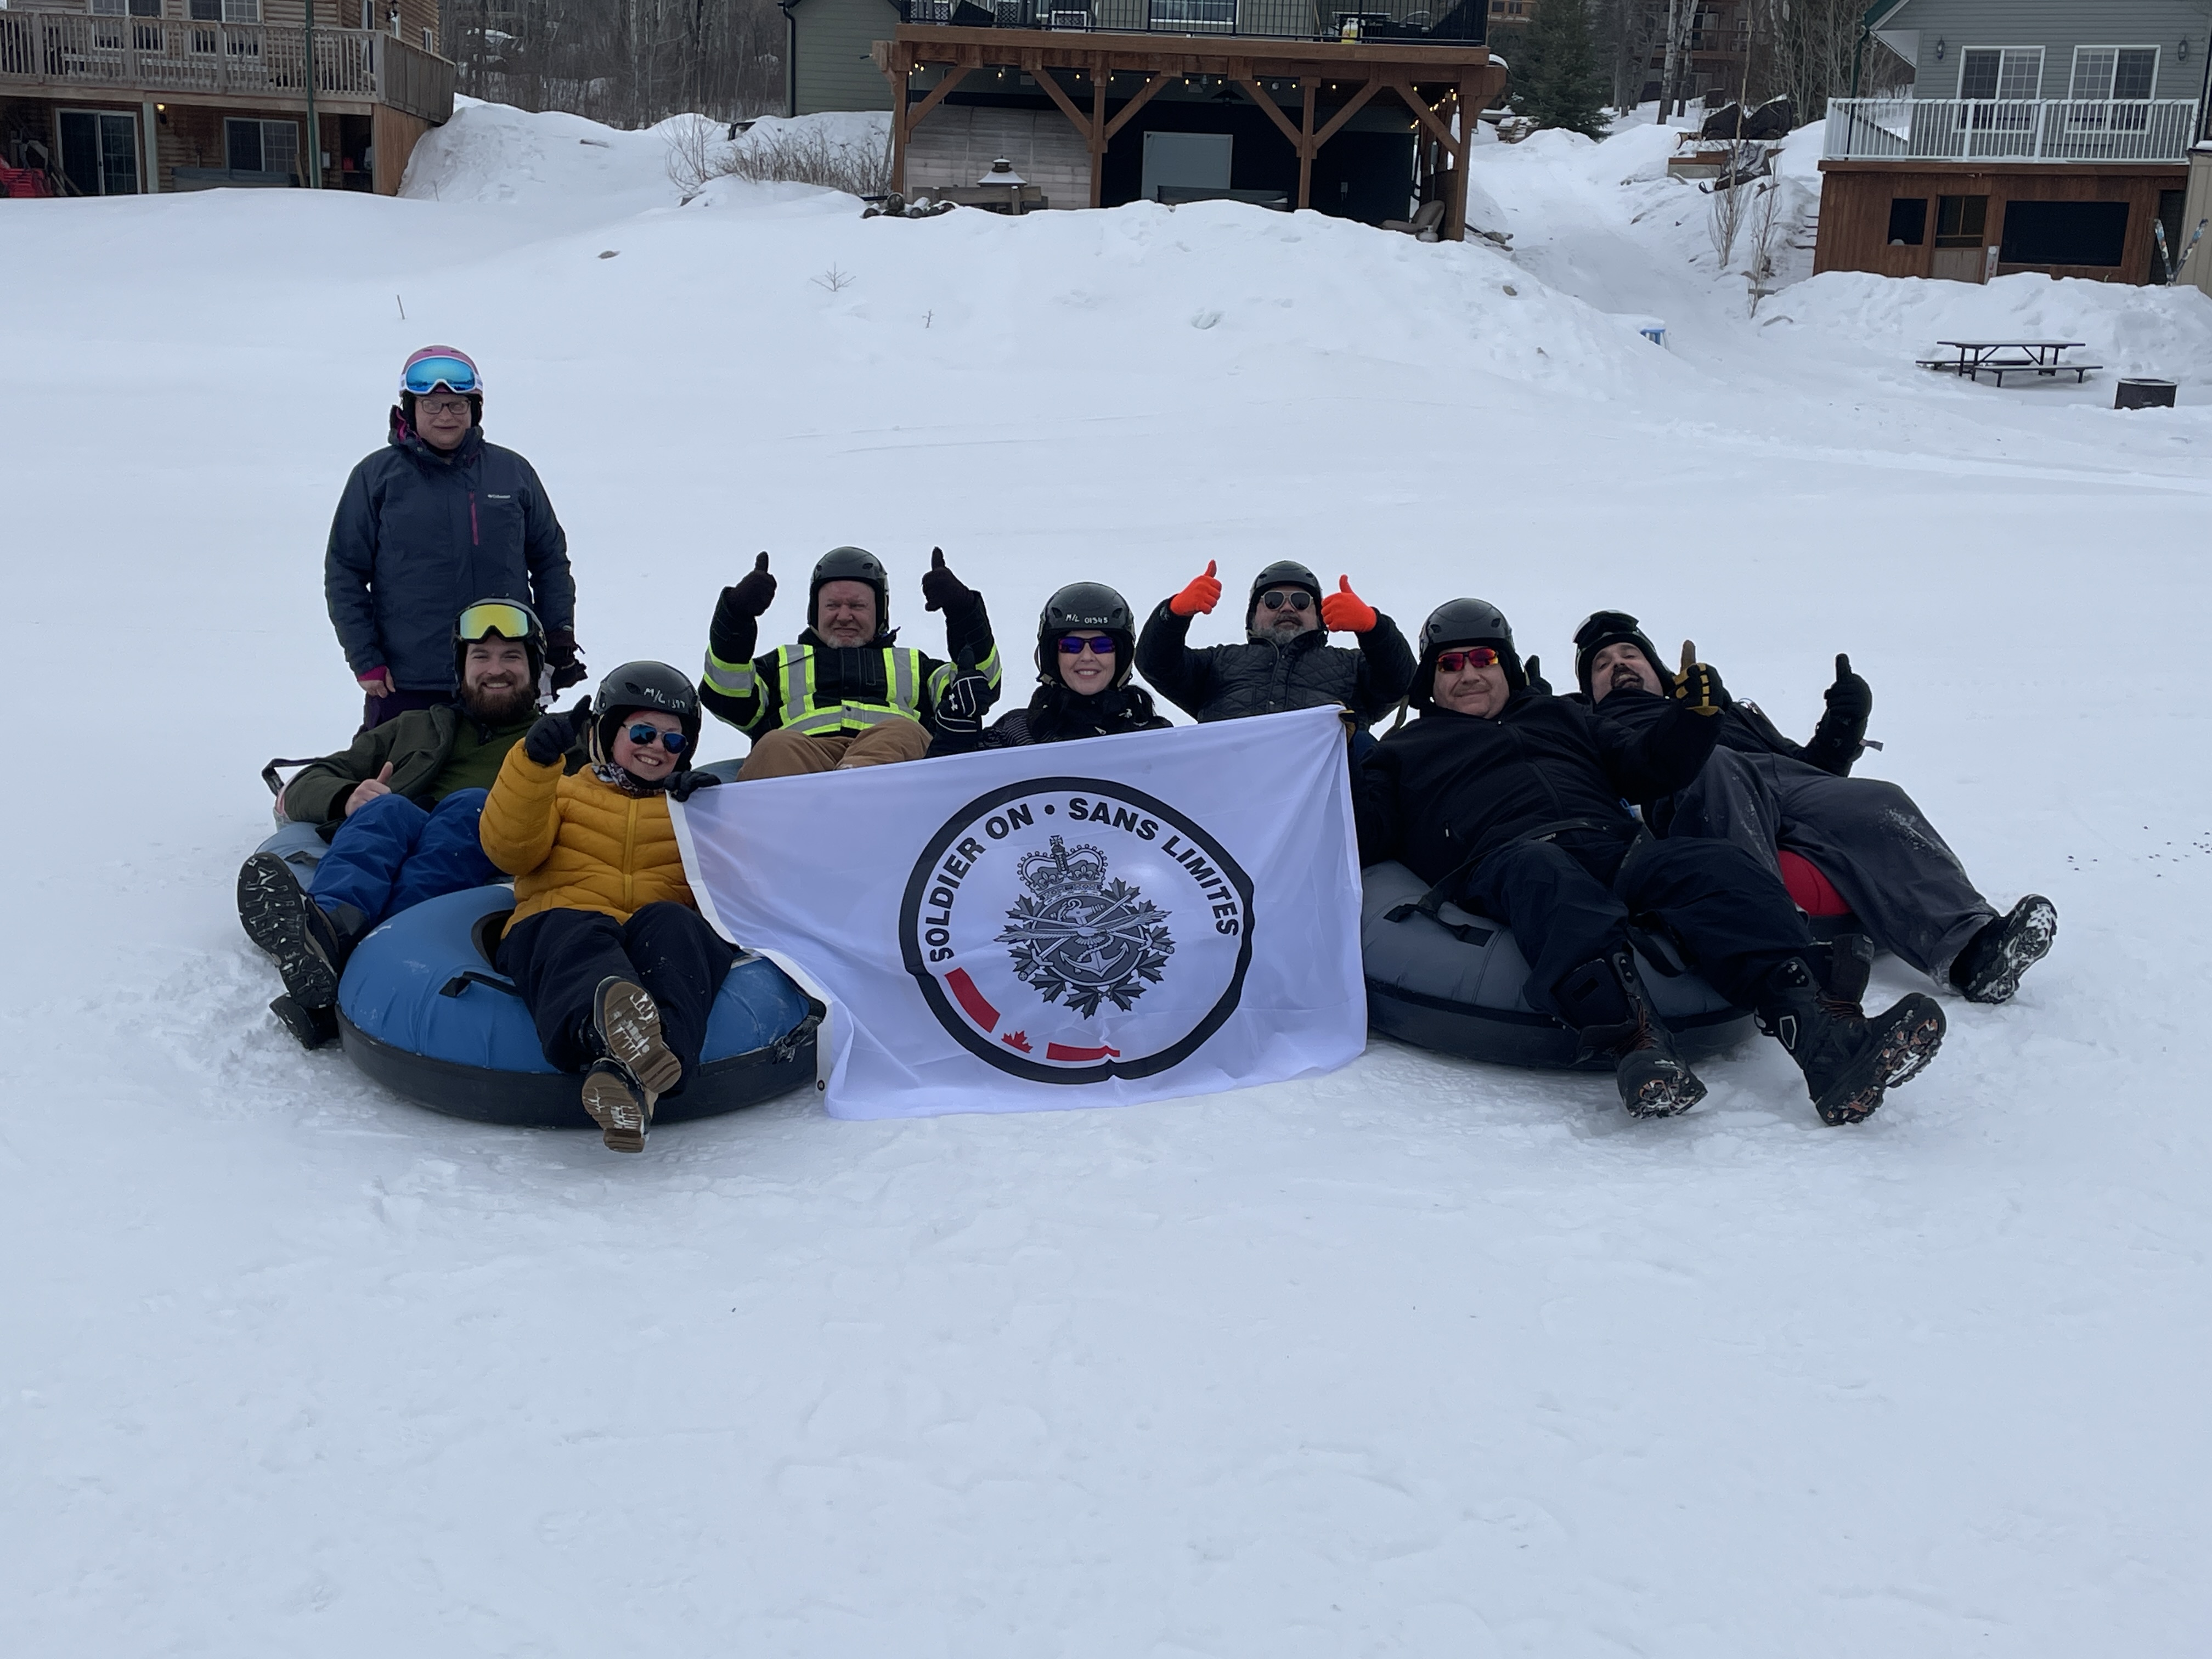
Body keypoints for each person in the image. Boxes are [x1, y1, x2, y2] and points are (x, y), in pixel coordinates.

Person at [1357, 599, 1947, 1126]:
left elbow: (1647, 766)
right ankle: (1639, 1046)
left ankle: (1826, 1039)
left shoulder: (1565, 718)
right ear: (1430, 681)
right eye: (1449, 664)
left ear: (1505, 665)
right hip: (1505, 857)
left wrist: (1692, 720)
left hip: (1615, 847)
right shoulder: (1404, 751)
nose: (1468, 674)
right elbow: (1367, 833)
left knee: (1719, 869)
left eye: (1481, 657)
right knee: (1549, 877)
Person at [1572, 610, 2056, 1004]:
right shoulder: (1589, 724)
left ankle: (1974, 950)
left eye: (1629, 654)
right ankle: (1778, 954)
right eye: (1601, 665)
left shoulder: (1728, 709)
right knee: (1717, 766)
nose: (1618, 665)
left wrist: (1841, 730)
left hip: (1776, 779)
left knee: (1878, 797)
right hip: (1690, 781)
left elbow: (1807, 770)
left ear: (1657, 670)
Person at [238, 600, 583, 1048]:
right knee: (387, 809)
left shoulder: (560, 745)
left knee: (470, 806)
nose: (495, 669)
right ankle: (327, 934)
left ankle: (353, 962)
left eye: (511, 657)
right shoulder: (414, 727)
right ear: (461, 670)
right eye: (481, 657)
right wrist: (348, 795)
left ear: (536, 671)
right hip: (394, 838)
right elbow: (308, 784)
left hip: (480, 850)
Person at [479, 662, 732, 1153]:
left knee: (679, 924)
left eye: (673, 741)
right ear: (608, 733)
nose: (657, 748)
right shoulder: (565, 792)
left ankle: (631, 1075)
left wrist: (714, 824)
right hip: (561, 924)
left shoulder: (688, 810)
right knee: (580, 930)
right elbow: (508, 850)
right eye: (642, 731)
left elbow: (735, 898)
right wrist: (533, 764)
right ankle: (610, 1030)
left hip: (647, 939)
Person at [326, 346, 584, 731]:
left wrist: (558, 634)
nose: (445, 415)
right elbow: (345, 572)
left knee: (507, 787)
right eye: (432, 405)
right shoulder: (376, 477)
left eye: (457, 405)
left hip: (500, 677)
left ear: (474, 410)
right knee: (403, 785)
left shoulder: (512, 473)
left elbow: (549, 561)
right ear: (410, 409)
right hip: (408, 681)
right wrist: (366, 659)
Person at [700, 545, 1002, 776]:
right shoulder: (780, 663)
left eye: (857, 605)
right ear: (815, 610)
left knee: (902, 732)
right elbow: (728, 695)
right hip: (803, 765)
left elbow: (979, 684)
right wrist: (736, 618)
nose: (844, 616)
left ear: (880, 612)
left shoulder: (916, 666)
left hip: (890, 768)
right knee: (774, 745)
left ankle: (852, 799)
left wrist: (963, 613)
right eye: (832, 605)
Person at [1135, 558, 1414, 731]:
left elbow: (1401, 683)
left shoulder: (1351, 666)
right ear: (1253, 615)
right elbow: (1156, 664)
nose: (1287, 608)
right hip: (1230, 807)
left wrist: (1375, 628)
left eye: (1301, 602)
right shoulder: (1219, 664)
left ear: (1319, 617)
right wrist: (1172, 615)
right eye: (1273, 601)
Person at [928, 583, 1171, 756]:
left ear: (1122, 656)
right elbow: (946, 805)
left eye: (1102, 645)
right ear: (1052, 657)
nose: (1087, 657)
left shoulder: (1153, 738)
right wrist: (953, 739)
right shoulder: (1014, 736)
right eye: (1071, 646)